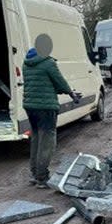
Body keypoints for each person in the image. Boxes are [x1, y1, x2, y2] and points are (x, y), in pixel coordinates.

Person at [23, 44, 81, 187]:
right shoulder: (48, 63)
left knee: (36, 138)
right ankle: (42, 178)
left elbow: (44, 84)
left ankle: (35, 173)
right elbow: (59, 81)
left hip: (30, 106)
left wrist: (60, 90)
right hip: (46, 108)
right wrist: (71, 93)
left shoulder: (26, 63)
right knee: (47, 142)